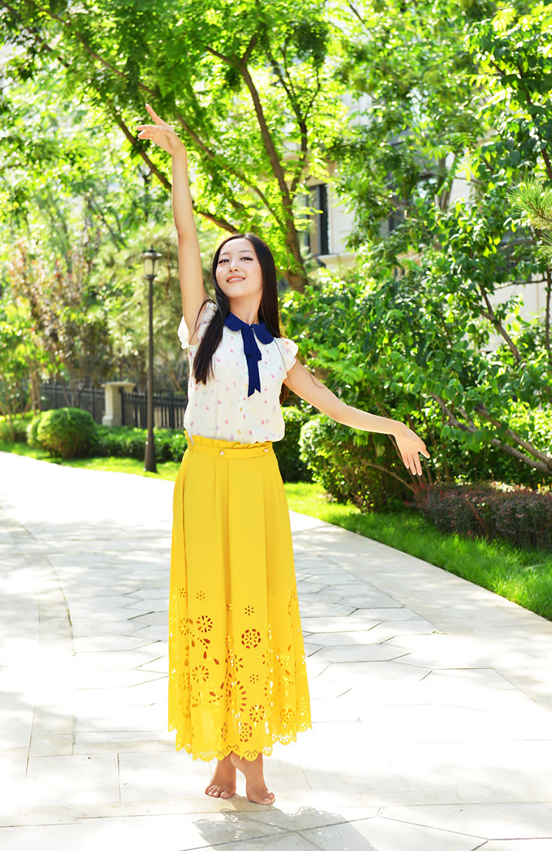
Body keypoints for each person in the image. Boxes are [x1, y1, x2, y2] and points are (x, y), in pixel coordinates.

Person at [137, 103, 430, 805]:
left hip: (258, 484)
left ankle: (254, 758)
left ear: (263, 272)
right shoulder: (201, 323)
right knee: (209, 606)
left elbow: (333, 407)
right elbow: (184, 238)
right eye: (224, 260)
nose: (230, 264)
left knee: (256, 614)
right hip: (204, 477)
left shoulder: (280, 352)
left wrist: (394, 427)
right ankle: (218, 755)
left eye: (243, 258)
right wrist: (180, 162)